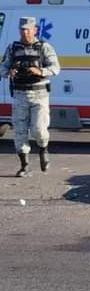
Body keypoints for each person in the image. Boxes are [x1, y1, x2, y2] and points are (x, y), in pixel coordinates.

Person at [0, 17, 60, 177]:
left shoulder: (44, 47)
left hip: (39, 95)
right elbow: (2, 66)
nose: (24, 32)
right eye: (22, 29)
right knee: (19, 132)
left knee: (39, 129)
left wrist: (40, 71)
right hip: (20, 95)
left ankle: (43, 150)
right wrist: (9, 72)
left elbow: (56, 68)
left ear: (34, 30)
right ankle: (24, 165)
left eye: (27, 29)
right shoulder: (13, 48)